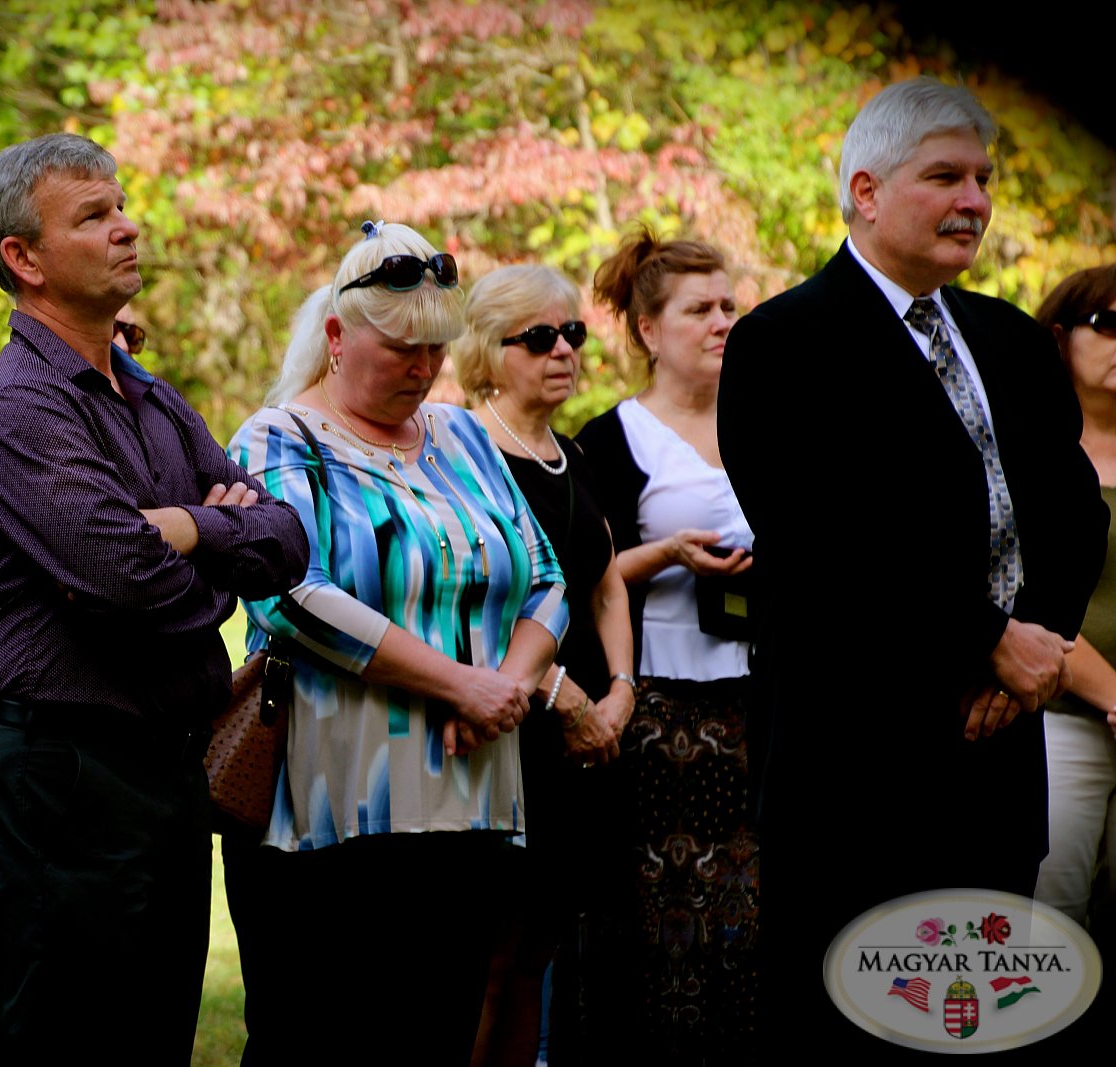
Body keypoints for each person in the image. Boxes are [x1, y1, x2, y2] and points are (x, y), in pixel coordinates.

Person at [719, 78, 1107, 1047]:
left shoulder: (1010, 338)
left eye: (981, 178)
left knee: (979, 1019)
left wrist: (1038, 649)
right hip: (858, 759)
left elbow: (1067, 511)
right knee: (853, 1020)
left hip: (996, 749)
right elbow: (821, 540)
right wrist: (980, 640)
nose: (973, 199)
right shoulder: (782, 342)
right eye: (943, 176)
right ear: (864, 190)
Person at [0, 133, 308, 1064]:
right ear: (22, 259)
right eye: (94, 216)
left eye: (121, 206)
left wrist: (185, 527)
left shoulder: (145, 391)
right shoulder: (20, 406)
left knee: (157, 1040)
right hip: (65, 783)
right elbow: (134, 583)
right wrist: (213, 539)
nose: (127, 226)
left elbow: (288, 539)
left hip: (167, 771)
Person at [226, 222, 569, 1065]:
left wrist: (507, 689)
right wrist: (459, 683)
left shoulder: (459, 437)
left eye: (436, 350)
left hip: (473, 793)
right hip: (333, 811)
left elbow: (545, 577)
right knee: (323, 1039)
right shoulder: (278, 439)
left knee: (439, 1033)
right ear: (338, 337)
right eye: (402, 347)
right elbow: (292, 593)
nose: (422, 368)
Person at [0, 307, 148, 1038]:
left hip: (119, 739)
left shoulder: (142, 440)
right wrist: (174, 542)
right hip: (4, 730)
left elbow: (225, 552)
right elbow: (104, 586)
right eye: (103, 337)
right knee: (3, 978)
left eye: (131, 338)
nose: (119, 356)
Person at [570, 229, 760, 1060]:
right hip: (656, 715)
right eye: (700, 309)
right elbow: (580, 572)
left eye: (729, 305)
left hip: (762, 703)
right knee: (656, 915)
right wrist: (670, 552)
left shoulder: (771, 428)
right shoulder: (610, 440)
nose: (722, 321)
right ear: (649, 329)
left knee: (753, 914)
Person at [454, 263, 635, 1067]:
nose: (564, 349)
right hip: (507, 730)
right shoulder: (461, 451)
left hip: (588, 736)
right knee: (489, 959)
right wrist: (567, 699)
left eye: (574, 332)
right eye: (540, 337)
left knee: (539, 954)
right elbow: (478, 604)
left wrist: (623, 688)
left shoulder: (573, 450)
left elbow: (605, 581)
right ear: (489, 353)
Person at [1033, 265, 1116, 930]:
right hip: (1058, 717)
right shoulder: (1031, 453)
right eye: (1108, 323)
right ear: (1060, 338)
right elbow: (1026, 594)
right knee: (1051, 924)